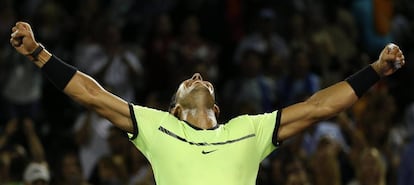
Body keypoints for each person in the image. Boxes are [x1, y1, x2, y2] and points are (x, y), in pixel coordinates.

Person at [9, 21, 406, 185]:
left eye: (201, 78)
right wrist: (38, 54)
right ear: (175, 109)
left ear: (217, 109)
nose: (197, 77)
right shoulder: (157, 127)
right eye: (187, 80)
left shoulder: (249, 130)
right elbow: (92, 95)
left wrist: (374, 69)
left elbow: (320, 107)